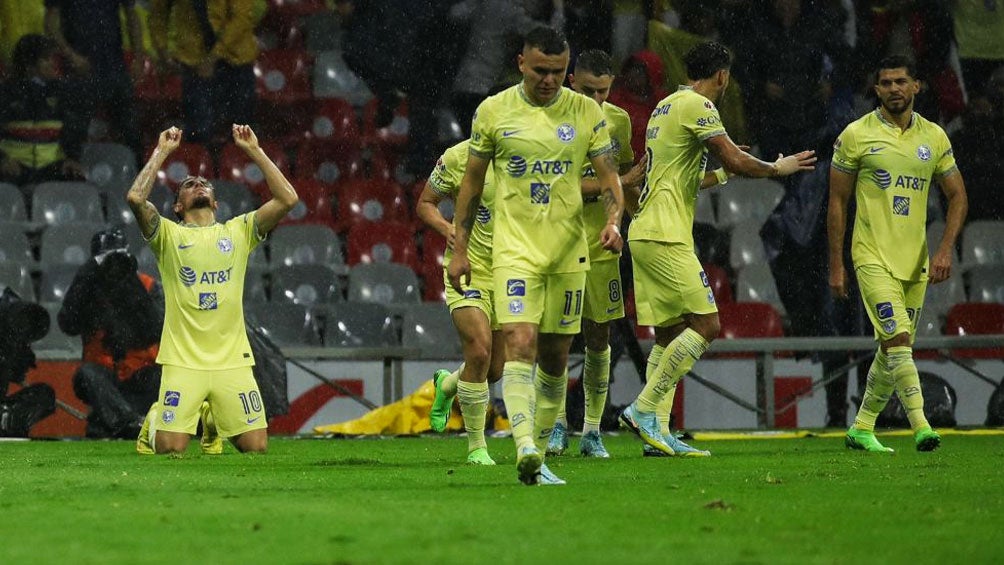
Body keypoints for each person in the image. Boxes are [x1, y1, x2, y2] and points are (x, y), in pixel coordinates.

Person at [620, 41, 816, 456]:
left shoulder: (666, 106)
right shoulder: (699, 106)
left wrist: (725, 174)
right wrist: (776, 168)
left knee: (669, 334)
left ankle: (657, 433)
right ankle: (642, 409)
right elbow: (738, 159)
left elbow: (681, 178)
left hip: (645, 229)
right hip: (665, 234)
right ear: (723, 75)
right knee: (706, 326)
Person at [448, 26, 625, 486]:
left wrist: (613, 221)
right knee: (519, 343)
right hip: (514, 251)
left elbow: (609, 177)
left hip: (568, 253)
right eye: (541, 70)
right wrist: (460, 249)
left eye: (558, 72)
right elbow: (471, 183)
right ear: (521, 63)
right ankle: (525, 445)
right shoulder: (493, 111)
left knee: (555, 358)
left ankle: (539, 456)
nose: (549, 80)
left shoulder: (586, 112)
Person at [126, 124, 298, 454]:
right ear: (178, 207)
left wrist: (254, 150)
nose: (197, 184)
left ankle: (211, 417)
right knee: (170, 449)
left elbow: (288, 199)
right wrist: (162, 151)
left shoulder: (239, 231)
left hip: (231, 360)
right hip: (183, 360)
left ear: (216, 203)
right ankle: (156, 419)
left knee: (256, 448)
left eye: (203, 183)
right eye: (188, 185)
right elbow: (135, 198)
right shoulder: (168, 236)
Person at [828, 55, 968, 453]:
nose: (894, 89)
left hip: (916, 260)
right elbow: (837, 201)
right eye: (886, 83)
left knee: (891, 349)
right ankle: (921, 427)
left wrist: (944, 250)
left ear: (916, 86)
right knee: (899, 339)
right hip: (871, 255)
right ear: (876, 89)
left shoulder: (934, 137)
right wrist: (836, 264)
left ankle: (861, 427)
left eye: (901, 81)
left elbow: (958, 196)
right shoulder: (856, 134)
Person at [545, 48, 645, 459]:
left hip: (603, 243)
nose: (597, 100)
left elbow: (625, 185)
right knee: (556, 339)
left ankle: (591, 431)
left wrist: (630, 221)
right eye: (589, 91)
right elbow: (555, 185)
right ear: (571, 81)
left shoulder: (618, 120)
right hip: (559, 240)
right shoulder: (550, 119)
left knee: (599, 337)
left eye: (604, 91)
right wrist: (616, 182)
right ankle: (554, 426)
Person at [417, 139, 505, 465]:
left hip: (510, 272)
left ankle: (447, 384)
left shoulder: (525, 153)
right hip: (468, 267)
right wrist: (446, 228)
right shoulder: (457, 157)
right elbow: (426, 202)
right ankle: (477, 448)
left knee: (493, 369)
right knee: (479, 351)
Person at [58, 227, 164, 439]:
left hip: (142, 376)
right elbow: (68, 324)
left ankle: (122, 421)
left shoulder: (147, 286)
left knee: (165, 375)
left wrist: (132, 284)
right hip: (106, 381)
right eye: (106, 259)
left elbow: (157, 329)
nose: (113, 264)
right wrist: (87, 274)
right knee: (87, 374)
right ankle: (129, 421)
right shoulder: (86, 291)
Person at [148, 0, 260, 144]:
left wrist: (213, 57)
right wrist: (162, 52)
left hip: (235, 59)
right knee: (199, 131)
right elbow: (158, 14)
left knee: (242, 130)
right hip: (195, 61)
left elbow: (240, 19)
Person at [44, 0, 144, 158]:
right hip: (80, 70)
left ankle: (139, 169)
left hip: (114, 65)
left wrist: (138, 57)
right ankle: (72, 168)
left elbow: (132, 16)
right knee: (74, 133)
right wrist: (71, 55)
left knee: (130, 131)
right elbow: (50, 23)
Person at [0, 34, 87, 188]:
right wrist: (2, 160)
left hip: (52, 166)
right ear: (29, 65)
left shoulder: (62, 92)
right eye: (46, 59)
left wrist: (72, 158)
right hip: (14, 167)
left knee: (79, 184)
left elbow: (73, 129)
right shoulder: (6, 93)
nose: (53, 63)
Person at [0, 287, 55, 438]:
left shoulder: (13, 338)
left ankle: (7, 421)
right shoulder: (10, 330)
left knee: (45, 395)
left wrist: (15, 366)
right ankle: (7, 421)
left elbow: (16, 369)